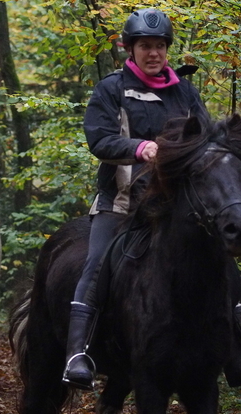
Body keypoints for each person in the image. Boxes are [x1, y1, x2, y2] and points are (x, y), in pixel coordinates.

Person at [62, 8, 212, 390]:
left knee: (221, 257)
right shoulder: (110, 89)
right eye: (145, 45)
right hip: (125, 202)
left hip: (179, 205)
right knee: (96, 264)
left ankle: (231, 344)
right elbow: (99, 139)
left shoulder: (185, 91)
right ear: (130, 49)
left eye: (160, 46)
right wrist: (140, 147)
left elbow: (205, 137)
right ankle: (78, 353)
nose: (154, 53)